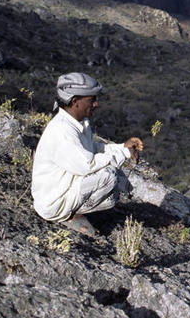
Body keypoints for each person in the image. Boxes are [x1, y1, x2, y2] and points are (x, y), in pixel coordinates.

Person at [31, 72, 144, 235]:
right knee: (108, 176)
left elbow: (93, 149)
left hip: (65, 188)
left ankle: (77, 209)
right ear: (75, 102)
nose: (96, 104)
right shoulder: (62, 131)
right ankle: (68, 215)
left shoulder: (80, 123)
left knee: (114, 175)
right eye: (92, 100)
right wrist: (123, 155)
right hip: (52, 203)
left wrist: (122, 148)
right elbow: (87, 165)